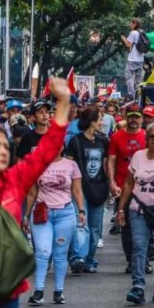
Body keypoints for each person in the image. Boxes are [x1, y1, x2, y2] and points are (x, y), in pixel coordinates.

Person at [0, 78, 70, 308]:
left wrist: (64, 101)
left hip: (8, 290)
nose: (3, 151)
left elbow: (48, 149)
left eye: (5, 146)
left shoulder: (14, 181)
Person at [116, 118, 154, 305]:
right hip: (139, 210)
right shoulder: (138, 156)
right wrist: (121, 208)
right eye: (152, 136)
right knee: (139, 247)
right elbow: (129, 183)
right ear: (146, 138)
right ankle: (138, 287)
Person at [24, 148, 86, 306]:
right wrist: (26, 216)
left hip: (65, 214)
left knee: (60, 254)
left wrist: (81, 211)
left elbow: (77, 189)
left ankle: (59, 291)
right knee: (42, 251)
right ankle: (38, 291)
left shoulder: (71, 165)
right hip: (42, 213)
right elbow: (32, 192)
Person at [65, 106, 110, 273]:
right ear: (92, 122)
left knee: (95, 228)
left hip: (99, 187)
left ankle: (89, 259)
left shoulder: (103, 140)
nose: (102, 122)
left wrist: (111, 183)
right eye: (99, 119)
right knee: (81, 224)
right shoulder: (75, 141)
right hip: (80, 188)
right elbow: (69, 164)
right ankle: (78, 259)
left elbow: (106, 164)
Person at [107, 104, 148, 273]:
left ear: (142, 118)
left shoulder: (147, 136)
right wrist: (111, 182)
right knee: (127, 226)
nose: (133, 120)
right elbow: (111, 160)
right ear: (125, 117)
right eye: (130, 116)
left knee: (146, 226)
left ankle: (144, 260)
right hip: (123, 187)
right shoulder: (116, 137)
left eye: (137, 117)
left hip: (145, 188)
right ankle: (131, 260)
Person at [121, 18, 145, 97]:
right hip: (141, 59)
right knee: (138, 80)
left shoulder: (133, 32)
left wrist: (124, 39)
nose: (130, 25)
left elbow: (128, 45)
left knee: (128, 76)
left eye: (131, 23)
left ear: (135, 24)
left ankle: (132, 95)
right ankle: (139, 95)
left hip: (132, 59)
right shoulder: (142, 32)